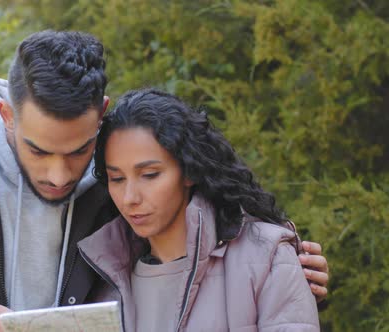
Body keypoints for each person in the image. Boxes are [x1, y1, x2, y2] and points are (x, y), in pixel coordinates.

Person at [0, 31, 327, 332]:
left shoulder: (116, 189)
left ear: (100, 115)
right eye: (38, 150)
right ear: (8, 115)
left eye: (79, 151)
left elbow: (204, 248)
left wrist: (283, 267)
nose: (59, 174)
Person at [79, 89, 320, 331]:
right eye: (117, 179)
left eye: (150, 175)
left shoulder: (267, 258)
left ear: (189, 171)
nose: (130, 198)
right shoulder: (99, 279)